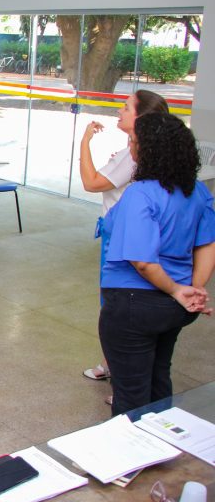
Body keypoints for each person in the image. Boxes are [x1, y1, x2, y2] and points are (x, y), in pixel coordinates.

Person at [99, 113, 215, 416]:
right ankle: (164, 449)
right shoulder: (199, 192)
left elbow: (143, 262)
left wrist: (178, 289)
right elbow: (207, 244)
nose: (131, 147)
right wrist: (195, 289)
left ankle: (132, 457)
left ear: (150, 151)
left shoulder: (142, 193)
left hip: (134, 305)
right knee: (157, 378)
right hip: (172, 310)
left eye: (134, 142)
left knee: (131, 394)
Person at [79, 90, 170, 389]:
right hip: (122, 232)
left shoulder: (135, 157)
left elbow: (91, 183)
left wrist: (85, 142)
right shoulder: (137, 153)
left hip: (119, 236)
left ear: (141, 118)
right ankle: (113, 367)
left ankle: (122, 378)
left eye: (126, 107)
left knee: (116, 304)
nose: (120, 110)